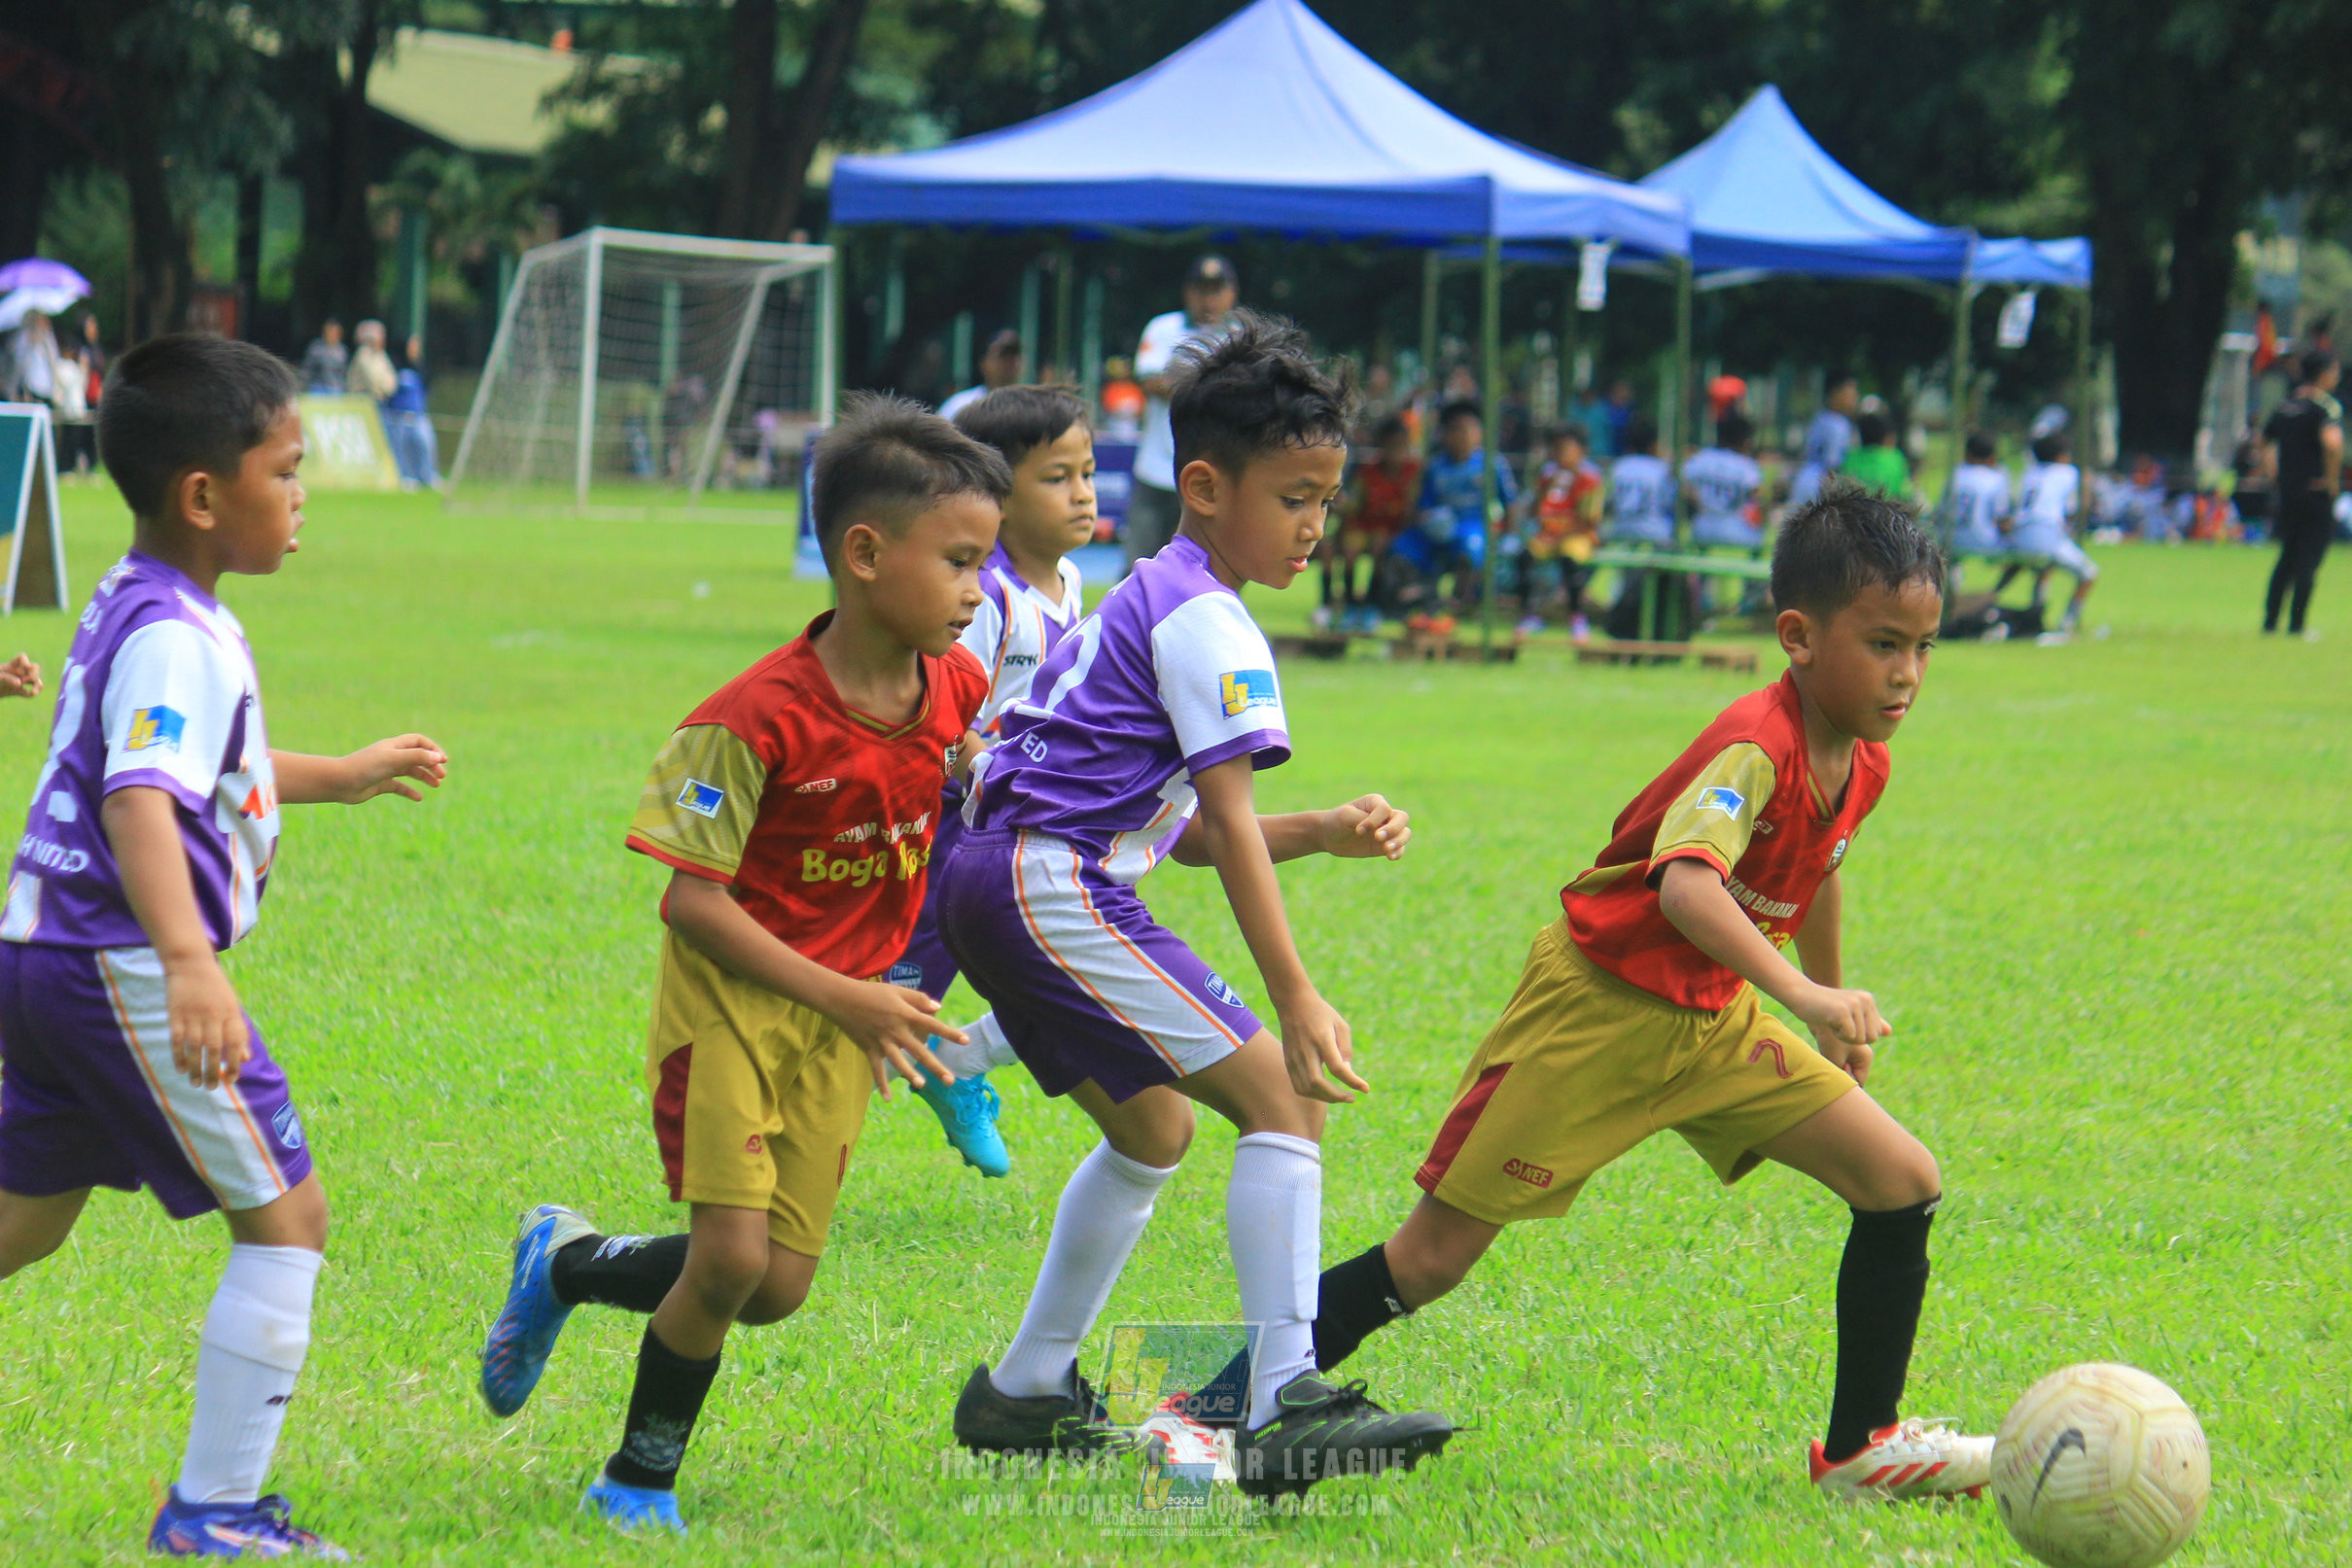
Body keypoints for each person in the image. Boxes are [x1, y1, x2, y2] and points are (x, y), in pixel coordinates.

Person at [1311, 481, 1992, 1502]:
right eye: (1884, 643)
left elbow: (1822, 860)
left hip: (1715, 1020)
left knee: (1900, 1180)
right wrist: (1805, 998)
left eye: (1922, 648)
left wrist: (1832, 1000)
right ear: (1799, 636)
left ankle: (1861, 1447)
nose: (1906, 674)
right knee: (1432, 1256)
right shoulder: (1751, 741)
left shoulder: (1863, 756)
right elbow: (1685, 887)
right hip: (1598, 1011)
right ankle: (1204, 1399)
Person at [934, 312, 1454, 1496]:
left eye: (1328, 493)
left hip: (1001, 873)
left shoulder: (1155, 592)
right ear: (1206, 486)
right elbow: (1215, 824)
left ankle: (1022, 1389)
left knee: (1154, 1128)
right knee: (1282, 1096)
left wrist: (1317, 829)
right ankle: (1284, 1403)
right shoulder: (1207, 617)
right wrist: (1298, 992)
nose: (1317, 522)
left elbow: (1177, 830)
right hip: (1041, 876)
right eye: (1296, 495)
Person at [475, 395, 1006, 1536]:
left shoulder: (951, 683)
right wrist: (852, 996)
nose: (977, 590)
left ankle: (566, 1261)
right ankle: (636, 1477)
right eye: (961, 561)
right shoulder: (746, 723)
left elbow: (964, 770)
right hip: (735, 1011)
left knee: (773, 1286)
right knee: (725, 1256)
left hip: (841, 1023)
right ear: (864, 553)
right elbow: (691, 900)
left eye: (985, 565)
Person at [0, 334, 447, 1558]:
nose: (304, 493)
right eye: (288, 470)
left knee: (22, 1223)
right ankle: (215, 1514)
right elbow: (141, 798)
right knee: (287, 1218)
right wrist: (192, 962)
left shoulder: (138, 596)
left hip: (43, 957)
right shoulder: (182, 638)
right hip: (123, 968)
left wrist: (339, 775)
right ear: (206, 495)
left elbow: (202, 772)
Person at [888, 384, 1101, 1178]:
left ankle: (958, 1066)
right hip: (951, 829)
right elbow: (935, 708)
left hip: (1025, 822)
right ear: (995, 501)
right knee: (889, 1004)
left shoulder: (1071, 581)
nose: (1083, 492)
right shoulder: (987, 596)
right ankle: (780, 1140)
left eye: (1086, 471)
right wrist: (977, 757)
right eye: (1057, 477)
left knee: (1070, 968)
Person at [1127, 255, 1240, 571]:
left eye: (1217, 290)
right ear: (1188, 292)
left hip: (1210, 472)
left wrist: (1186, 385)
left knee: (1204, 568)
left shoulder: (1239, 334)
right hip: (1155, 469)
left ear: (1232, 294)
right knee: (1138, 564)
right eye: (1202, 290)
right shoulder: (1164, 327)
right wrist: (1215, 388)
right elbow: (1150, 381)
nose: (1209, 299)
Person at [1394, 399, 1518, 611]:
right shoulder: (1435, 467)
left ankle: (1462, 601)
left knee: (1471, 548)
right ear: (1446, 435)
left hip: (1473, 526)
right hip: (1439, 527)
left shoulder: (1492, 465)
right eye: (1456, 430)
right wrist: (1429, 520)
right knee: (1402, 547)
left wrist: (1510, 535)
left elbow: (1511, 503)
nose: (1464, 436)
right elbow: (1422, 506)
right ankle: (1420, 596)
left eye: (1470, 429)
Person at [2260, 348, 2342, 638]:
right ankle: (2296, 625)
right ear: (2322, 374)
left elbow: (2265, 440)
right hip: (2315, 493)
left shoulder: (2286, 406)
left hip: (2288, 492)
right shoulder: (2324, 408)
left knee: (2286, 557)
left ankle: (2270, 622)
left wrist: (2274, 475)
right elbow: (2332, 443)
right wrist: (2331, 480)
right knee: (2309, 560)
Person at [1329, 412, 1420, 631]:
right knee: (1350, 549)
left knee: (1380, 545)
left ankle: (1371, 600)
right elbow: (1357, 504)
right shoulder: (1369, 472)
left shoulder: (1413, 472)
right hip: (1365, 524)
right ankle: (1349, 601)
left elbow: (1411, 507)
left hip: (1392, 528)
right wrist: (1344, 508)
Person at [2003, 432, 2096, 639]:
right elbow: (2076, 507)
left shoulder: (2030, 473)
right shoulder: (2069, 473)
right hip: (2045, 533)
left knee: (2044, 567)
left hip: (2018, 535)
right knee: (2089, 574)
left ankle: (2035, 614)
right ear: (2062, 455)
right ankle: (2068, 623)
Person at [1524, 421, 1603, 640]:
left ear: (1581, 451)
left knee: (1570, 560)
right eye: (1556, 450)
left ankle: (1577, 617)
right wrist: (1547, 488)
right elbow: (1535, 511)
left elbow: (1589, 520)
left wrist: (1561, 531)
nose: (1560, 455)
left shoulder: (1590, 478)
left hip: (1577, 536)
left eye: (1565, 449)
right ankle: (1531, 614)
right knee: (1525, 557)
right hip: (1549, 536)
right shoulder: (1548, 476)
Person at [1685, 410, 1765, 548]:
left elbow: (1686, 488)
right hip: (1735, 529)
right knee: (1760, 537)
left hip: (1702, 527)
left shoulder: (1701, 458)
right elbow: (1757, 498)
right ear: (1744, 439)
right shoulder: (1746, 465)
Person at [1941, 432, 2013, 562]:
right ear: (1992, 457)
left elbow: (1942, 510)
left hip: (1951, 539)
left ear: (1967, 453)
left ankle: (1954, 576)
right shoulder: (1996, 477)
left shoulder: (1956, 472)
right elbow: (2001, 516)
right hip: (1984, 541)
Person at [1604, 414, 1675, 545]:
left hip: (1620, 529)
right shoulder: (1661, 468)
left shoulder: (1618, 467)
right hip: (1653, 531)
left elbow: (1608, 502)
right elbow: (1669, 502)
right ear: (1654, 444)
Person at [1791, 375, 1860, 505]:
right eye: (1850, 394)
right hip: (1821, 485)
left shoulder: (1819, 418)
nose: (1854, 399)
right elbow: (1833, 465)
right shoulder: (1840, 424)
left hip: (1803, 480)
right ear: (1835, 394)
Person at [384, 335, 439, 491]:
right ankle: (407, 477)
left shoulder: (421, 367)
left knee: (426, 444)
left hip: (418, 415)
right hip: (399, 416)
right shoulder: (396, 365)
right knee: (402, 449)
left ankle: (428, 476)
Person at [939, 330, 1023, 421]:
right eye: (1002, 357)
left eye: (1014, 357)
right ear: (983, 363)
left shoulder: (1029, 407)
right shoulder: (960, 405)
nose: (1009, 363)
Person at [1840, 410, 1911, 500]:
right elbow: (1903, 490)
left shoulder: (1850, 457)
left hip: (1856, 508)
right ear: (1884, 435)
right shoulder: (1894, 457)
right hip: (1886, 509)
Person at [345, 321, 396, 405]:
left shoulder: (381, 355)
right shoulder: (362, 353)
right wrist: (380, 391)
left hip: (379, 401)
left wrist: (387, 391)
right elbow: (371, 378)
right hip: (361, 402)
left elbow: (392, 378)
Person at [298, 320, 347, 396]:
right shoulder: (316, 348)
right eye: (330, 331)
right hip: (318, 387)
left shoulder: (342, 350)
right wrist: (302, 384)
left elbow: (343, 372)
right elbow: (307, 369)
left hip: (336, 388)